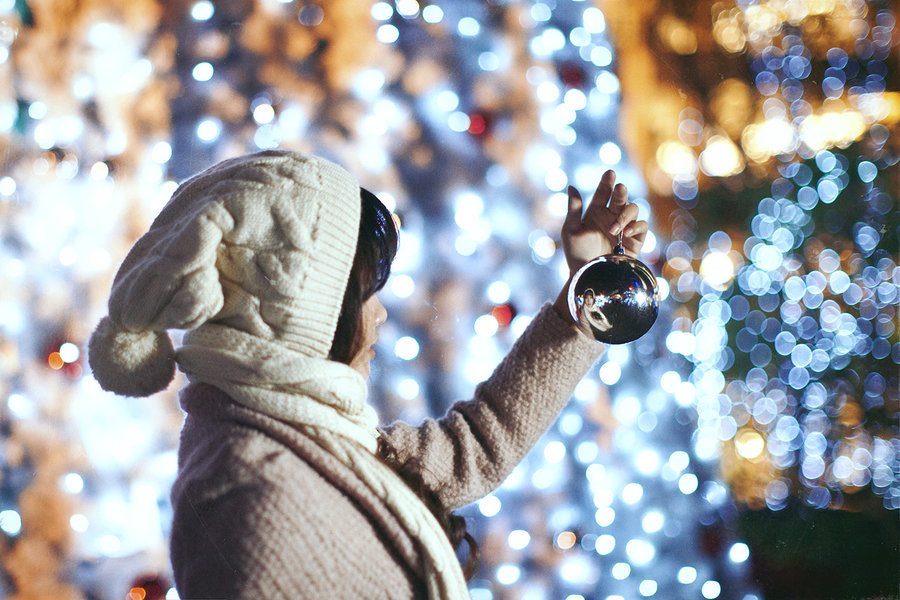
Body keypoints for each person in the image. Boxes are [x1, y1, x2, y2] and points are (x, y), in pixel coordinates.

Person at [87, 150, 648, 599]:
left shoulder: (296, 438)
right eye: (364, 297)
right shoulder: (250, 497)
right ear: (298, 314)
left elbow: (474, 445)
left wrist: (586, 293)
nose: (379, 316)